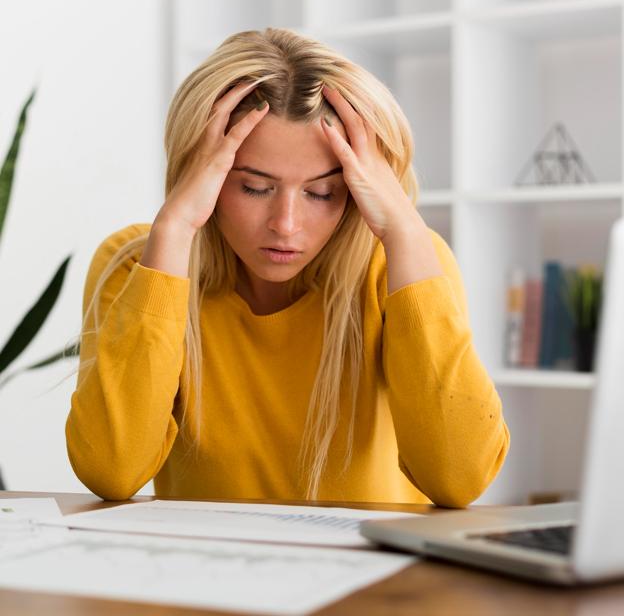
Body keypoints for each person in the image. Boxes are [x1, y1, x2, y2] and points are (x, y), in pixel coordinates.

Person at [66, 27, 510, 506]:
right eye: (254, 187)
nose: (286, 224)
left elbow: (460, 479)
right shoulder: (137, 265)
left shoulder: (405, 264)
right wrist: (173, 231)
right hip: (201, 570)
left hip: (371, 576)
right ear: (201, 173)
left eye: (322, 192)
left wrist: (405, 230)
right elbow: (111, 472)